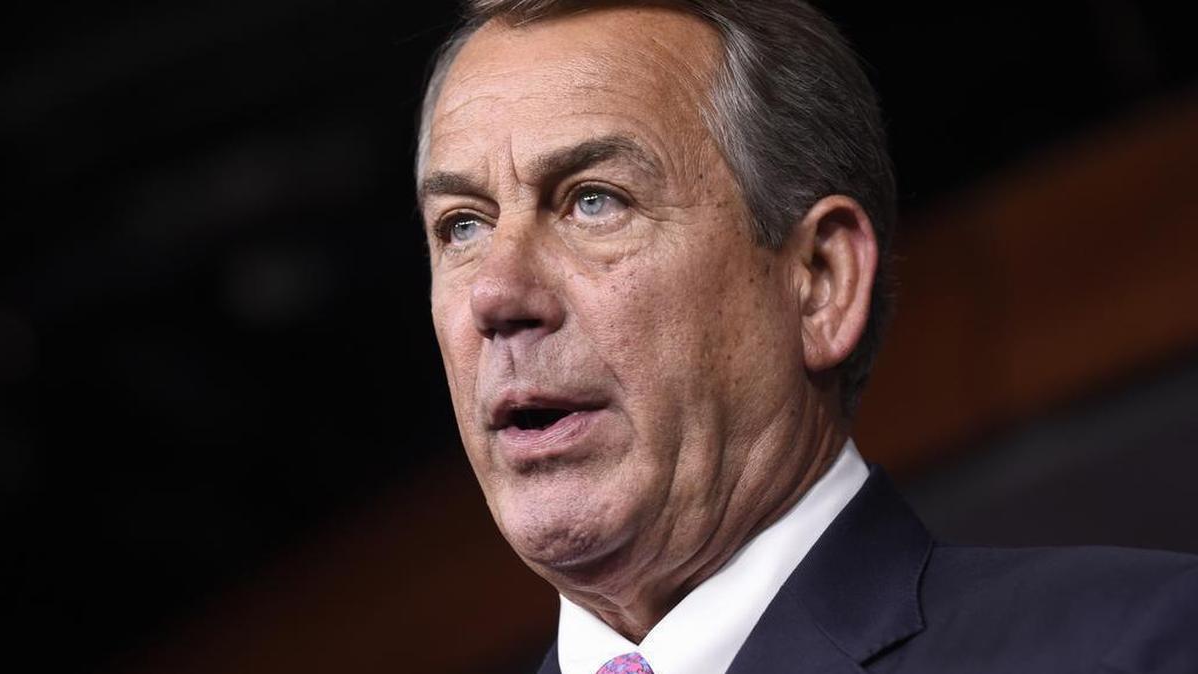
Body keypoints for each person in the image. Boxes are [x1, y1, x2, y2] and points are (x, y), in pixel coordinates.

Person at [414, 1, 1198, 672]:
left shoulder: (1133, 646)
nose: (496, 295)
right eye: (462, 226)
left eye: (594, 201)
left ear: (821, 281)